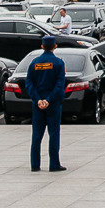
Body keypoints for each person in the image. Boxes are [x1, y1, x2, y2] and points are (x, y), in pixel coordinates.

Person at [25, 38, 69, 173]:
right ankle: (54, 164)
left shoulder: (34, 63)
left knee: (37, 135)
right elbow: (59, 85)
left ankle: (35, 164)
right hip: (53, 104)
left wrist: (38, 99)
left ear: (42, 46)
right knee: (54, 133)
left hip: (37, 104)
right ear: (55, 46)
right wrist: (49, 100)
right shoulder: (58, 63)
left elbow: (29, 83)